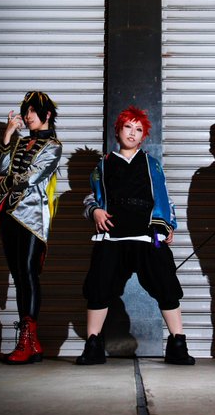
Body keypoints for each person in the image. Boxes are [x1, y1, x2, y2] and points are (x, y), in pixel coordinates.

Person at [76, 105, 195, 366]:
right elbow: (91, 198)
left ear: (143, 136)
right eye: (128, 127)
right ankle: (93, 344)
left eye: (138, 129)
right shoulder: (102, 166)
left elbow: (165, 199)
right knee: (98, 288)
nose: (132, 133)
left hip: (147, 236)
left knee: (167, 286)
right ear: (117, 130)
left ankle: (177, 344)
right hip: (112, 237)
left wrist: (169, 225)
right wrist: (95, 211)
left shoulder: (152, 165)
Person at [0, 91, 62, 364]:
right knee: (19, 276)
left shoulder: (53, 146)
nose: (28, 116)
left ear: (47, 114)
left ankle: (28, 340)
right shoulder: (19, 142)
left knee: (29, 273)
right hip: (9, 214)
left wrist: (4, 182)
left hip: (33, 217)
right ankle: (30, 343)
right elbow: (0, 169)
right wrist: (8, 135)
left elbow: (31, 177)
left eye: (32, 111)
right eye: (26, 111)